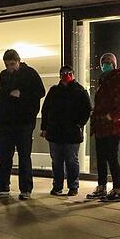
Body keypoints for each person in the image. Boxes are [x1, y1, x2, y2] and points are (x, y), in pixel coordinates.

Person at [0, 49, 45, 200]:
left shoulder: (30, 73)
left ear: (18, 61)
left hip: (23, 121)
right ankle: (2, 184)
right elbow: (0, 93)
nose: (10, 68)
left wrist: (22, 94)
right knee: (4, 154)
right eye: (7, 65)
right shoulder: (4, 75)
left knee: (24, 155)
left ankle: (25, 188)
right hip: (6, 121)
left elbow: (40, 91)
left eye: (12, 64)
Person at [87, 53, 120, 202]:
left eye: (109, 61)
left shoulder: (119, 79)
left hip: (112, 127)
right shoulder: (104, 81)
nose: (106, 64)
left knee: (111, 158)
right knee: (101, 158)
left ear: (114, 63)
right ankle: (101, 187)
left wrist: (113, 116)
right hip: (101, 127)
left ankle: (117, 189)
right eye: (103, 62)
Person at [40, 65, 91, 197]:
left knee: (71, 160)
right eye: (63, 73)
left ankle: (73, 186)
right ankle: (57, 186)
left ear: (73, 74)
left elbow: (87, 109)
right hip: (55, 132)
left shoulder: (80, 91)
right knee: (56, 161)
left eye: (69, 73)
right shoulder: (54, 91)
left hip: (72, 133)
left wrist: (79, 124)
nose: (66, 75)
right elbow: (45, 110)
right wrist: (44, 127)